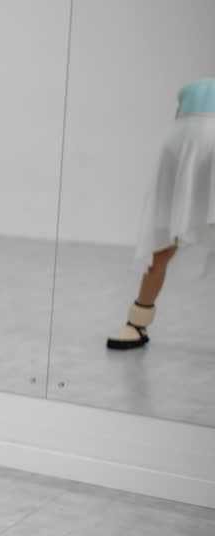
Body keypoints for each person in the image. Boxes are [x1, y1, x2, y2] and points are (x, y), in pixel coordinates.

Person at [107, 77, 215, 350]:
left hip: (186, 142)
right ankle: (137, 320)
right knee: (163, 242)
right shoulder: (194, 88)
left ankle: (137, 321)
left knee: (164, 243)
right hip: (182, 144)